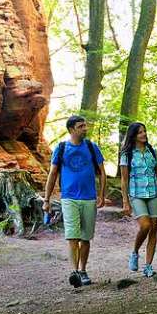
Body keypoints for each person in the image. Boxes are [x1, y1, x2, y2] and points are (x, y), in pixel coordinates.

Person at [44, 115, 106, 288]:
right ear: (71, 130)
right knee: (73, 236)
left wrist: (101, 194)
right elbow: (53, 173)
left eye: (85, 125)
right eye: (81, 126)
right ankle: (75, 272)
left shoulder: (92, 147)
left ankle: (83, 269)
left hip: (89, 198)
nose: (85, 128)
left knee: (85, 238)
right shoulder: (62, 148)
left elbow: (102, 172)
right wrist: (46, 199)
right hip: (69, 198)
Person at [119, 122, 157, 278]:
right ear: (133, 135)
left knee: (154, 229)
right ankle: (134, 252)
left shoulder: (152, 151)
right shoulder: (127, 154)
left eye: (144, 131)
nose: (144, 134)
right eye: (140, 132)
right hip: (137, 194)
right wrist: (125, 201)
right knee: (145, 225)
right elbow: (124, 179)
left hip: (154, 193)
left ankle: (148, 266)